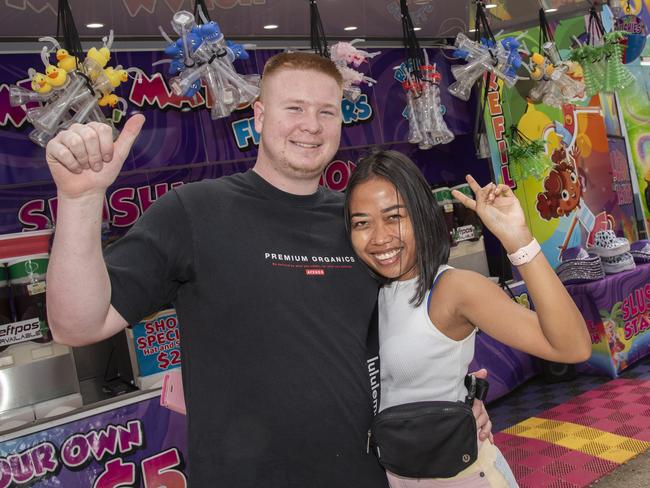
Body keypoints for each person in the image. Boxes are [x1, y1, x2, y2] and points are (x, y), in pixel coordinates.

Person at [44, 52, 491, 487]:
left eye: (327, 111)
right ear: (259, 115)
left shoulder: (359, 225)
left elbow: (408, 332)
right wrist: (80, 200)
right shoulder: (195, 212)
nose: (311, 125)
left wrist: (452, 398)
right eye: (293, 108)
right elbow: (75, 325)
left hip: (367, 472)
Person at [344, 150, 592, 487]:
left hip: (459, 476)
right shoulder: (358, 293)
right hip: (390, 474)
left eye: (394, 217)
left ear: (420, 215)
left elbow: (571, 347)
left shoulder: (452, 289)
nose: (379, 237)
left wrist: (518, 240)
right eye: (362, 222)